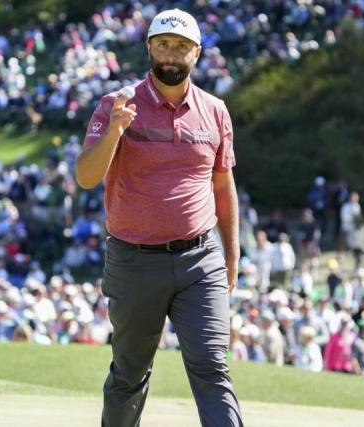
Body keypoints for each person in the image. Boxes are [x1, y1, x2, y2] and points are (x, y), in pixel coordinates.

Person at [75, 9, 243, 426]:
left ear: (197, 54)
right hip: (133, 260)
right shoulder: (116, 104)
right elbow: (85, 176)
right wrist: (114, 130)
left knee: (211, 368)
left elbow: (223, 187)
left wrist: (232, 257)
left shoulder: (215, 111)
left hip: (199, 259)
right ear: (149, 47)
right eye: (164, 44)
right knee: (129, 374)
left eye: (182, 47)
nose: (172, 54)